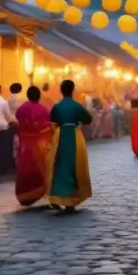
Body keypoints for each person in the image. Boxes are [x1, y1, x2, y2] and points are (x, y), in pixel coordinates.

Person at [47, 79, 92, 211]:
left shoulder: (57, 106)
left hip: (59, 136)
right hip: (74, 135)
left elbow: (52, 119)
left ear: (61, 91)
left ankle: (56, 197)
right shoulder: (77, 106)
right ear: (73, 90)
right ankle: (71, 200)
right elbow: (88, 119)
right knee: (74, 165)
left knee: (58, 166)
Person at [14, 86, 53, 206]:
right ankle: (42, 191)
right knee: (42, 168)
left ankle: (26, 196)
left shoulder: (21, 109)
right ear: (39, 96)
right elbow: (47, 126)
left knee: (25, 168)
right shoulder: (44, 110)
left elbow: (19, 124)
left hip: (25, 146)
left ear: (28, 95)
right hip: (40, 146)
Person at [0, 84, 16, 181]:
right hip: (2, 128)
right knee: (5, 149)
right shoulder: (2, 101)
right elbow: (9, 117)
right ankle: (5, 169)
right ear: (0, 90)